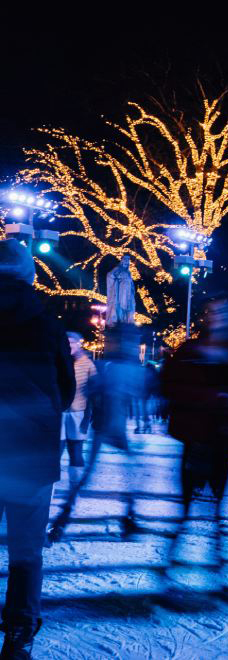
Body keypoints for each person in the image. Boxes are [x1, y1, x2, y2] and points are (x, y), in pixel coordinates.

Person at [0, 240, 74, 659]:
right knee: (26, 550)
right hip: (29, 452)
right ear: (28, 274)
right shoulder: (46, 320)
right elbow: (65, 391)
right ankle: (19, 632)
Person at [160, 298, 228, 581]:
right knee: (185, 508)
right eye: (213, 312)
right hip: (195, 439)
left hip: (223, 440)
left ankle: (217, 570)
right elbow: (168, 383)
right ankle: (171, 567)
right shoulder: (190, 349)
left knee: (218, 507)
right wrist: (213, 397)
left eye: (224, 312)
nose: (218, 317)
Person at [49, 323, 142, 543]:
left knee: (119, 475)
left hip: (109, 427)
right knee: (119, 475)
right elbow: (94, 391)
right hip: (108, 427)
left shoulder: (109, 366)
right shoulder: (113, 367)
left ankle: (65, 517)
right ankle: (65, 517)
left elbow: (95, 390)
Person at [59, 333, 96, 499]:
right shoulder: (60, 362)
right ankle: (49, 486)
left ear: (79, 344)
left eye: (72, 342)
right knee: (56, 451)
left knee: (75, 451)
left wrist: (88, 418)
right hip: (59, 413)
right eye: (66, 343)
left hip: (78, 413)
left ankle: (74, 487)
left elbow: (94, 393)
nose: (69, 345)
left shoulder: (88, 364)